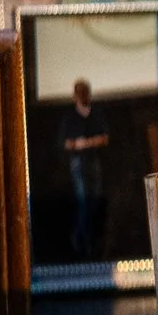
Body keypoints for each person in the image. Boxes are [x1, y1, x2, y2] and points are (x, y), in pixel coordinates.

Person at [59, 79, 111, 260]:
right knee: (83, 202)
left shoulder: (95, 114)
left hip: (93, 162)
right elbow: (66, 143)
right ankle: (80, 241)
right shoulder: (70, 117)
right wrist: (79, 144)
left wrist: (85, 143)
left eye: (85, 93)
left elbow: (104, 138)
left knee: (95, 200)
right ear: (75, 96)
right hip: (78, 163)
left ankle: (91, 241)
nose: (83, 96)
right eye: (80, 93)